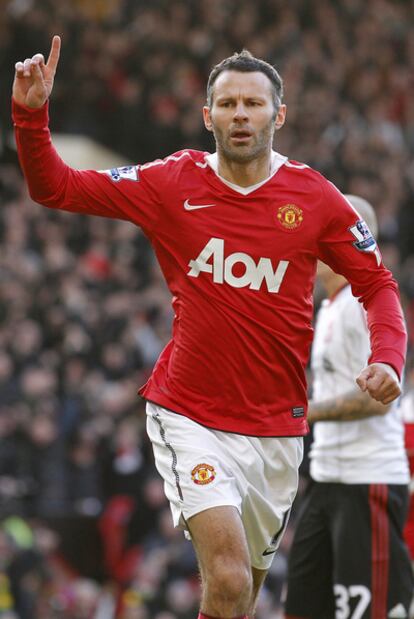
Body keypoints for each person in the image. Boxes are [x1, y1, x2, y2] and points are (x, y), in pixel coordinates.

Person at [11, 37, 407, 619]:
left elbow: (377, 283)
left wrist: (389, 357)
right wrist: (30, 115)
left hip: (276, 429)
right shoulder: (172, 182)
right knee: (224, 576)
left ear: (279, 114)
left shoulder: (315, 198)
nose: (240, 115)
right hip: (190, 413)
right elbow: (57, 187)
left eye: (252, 103)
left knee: (240, 594)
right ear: (207, 116)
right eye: (227, 105)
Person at [284, 196, 413, 619]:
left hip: (366, 479)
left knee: (368, 612)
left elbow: (377, 400)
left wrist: (304, 412)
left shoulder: (363, 304)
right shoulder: (332, 307)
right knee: (303, 605)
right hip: (329, 479)